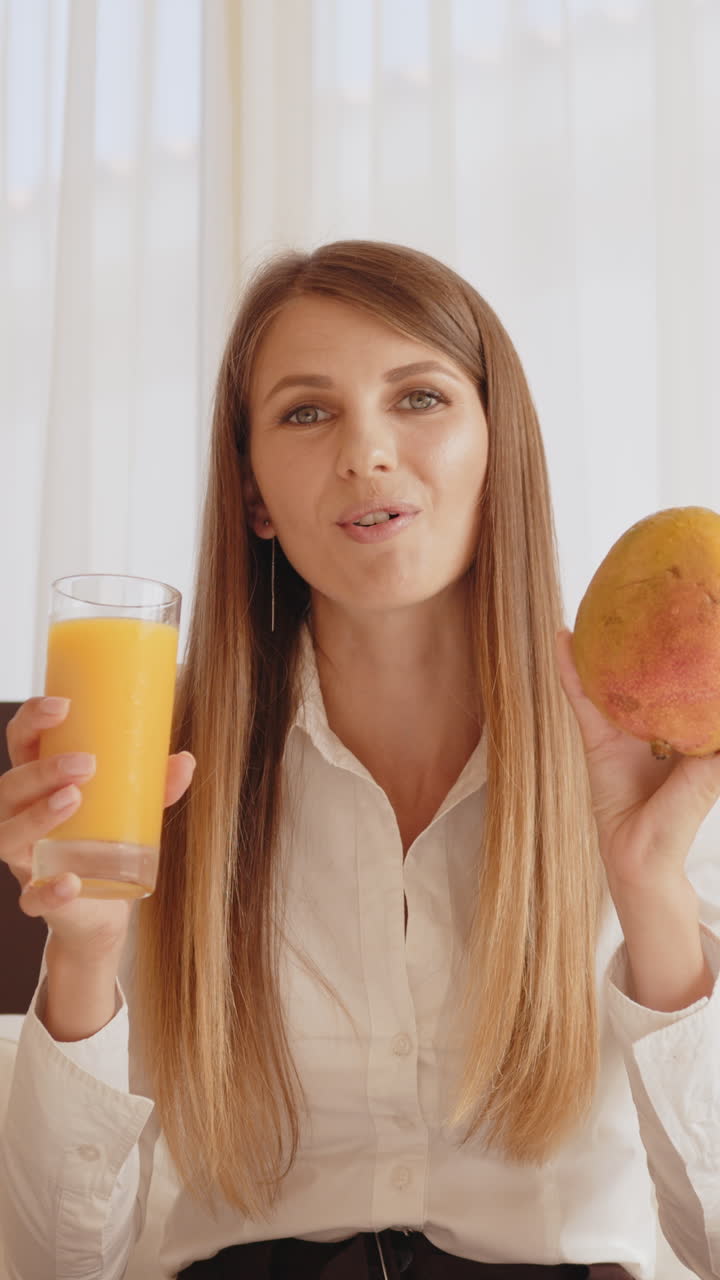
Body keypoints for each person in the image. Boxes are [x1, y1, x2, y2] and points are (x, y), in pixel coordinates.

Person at [0, 240, 719, 1280]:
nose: (366, 451)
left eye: (419, 397)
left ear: (497, 445)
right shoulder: (153, 766)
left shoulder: (647, 745)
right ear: (253, 495)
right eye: (306, 411)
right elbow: (59, 1265)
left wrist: (648, 889)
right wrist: (83, 946)